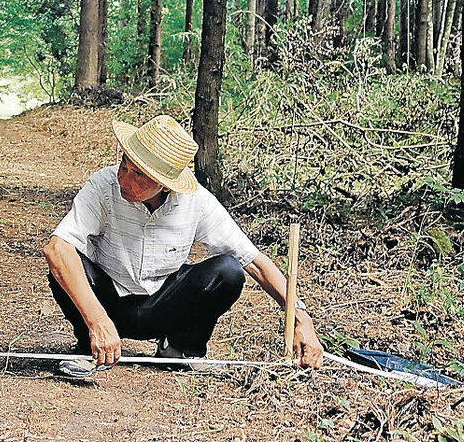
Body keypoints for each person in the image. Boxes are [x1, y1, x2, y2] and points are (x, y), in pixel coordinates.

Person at [43, 115, 323, 378]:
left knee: (228, 270)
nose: (124, 179)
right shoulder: (102, 186)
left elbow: (254, 262)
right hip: (105, 302)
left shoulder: (196, 202)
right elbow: (57, 249)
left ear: (166, 185)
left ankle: (179, 349)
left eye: (139, 176)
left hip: (162, 307)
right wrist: (97, 320)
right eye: (124, 165)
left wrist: (301, 318)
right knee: (66, 261)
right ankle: (92, 346)